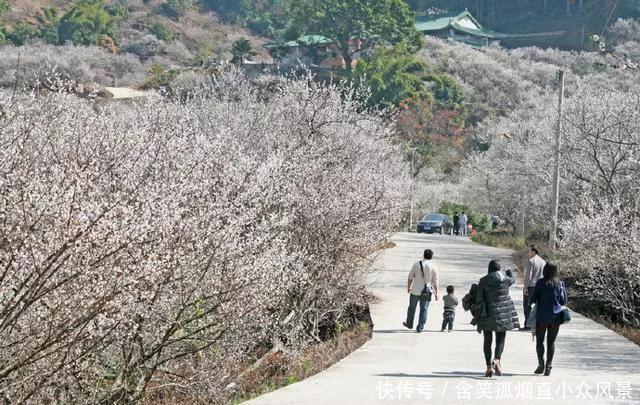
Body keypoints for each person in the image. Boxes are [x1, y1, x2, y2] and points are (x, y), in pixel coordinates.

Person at [475, 260, 520, 377]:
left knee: (487, 340)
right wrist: (509, 271)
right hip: (503, 315)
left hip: (488, 314)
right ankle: (497, 360)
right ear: (499, 269)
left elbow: (479, 299)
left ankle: (488, 367)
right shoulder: (505, 280)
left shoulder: (483, 281)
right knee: (500, 339)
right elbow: (513, 279)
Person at [529, 262, 567, 376]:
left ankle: (540, 365)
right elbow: (563, 301)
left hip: (542, 317)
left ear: (544, 270)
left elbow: (533, 298)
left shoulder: (540, 282)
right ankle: (548, 366)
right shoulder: (560, 284)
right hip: (556, 318)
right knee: (551, 342)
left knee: (540, 341)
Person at [403, 249, 439, 333]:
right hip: (427, 291)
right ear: (432, 256)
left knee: (411, 307)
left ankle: (409, 324)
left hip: (415, 289)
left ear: (423, 255)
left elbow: (410, 277)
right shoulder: (433, 266)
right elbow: (435, 281)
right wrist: (436, 293)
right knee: (424, 309)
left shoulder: (416, 264)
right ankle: (420, 327)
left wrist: (408, 287)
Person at [522, 245, 546, 330]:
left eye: (529, 251)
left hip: (531, 286)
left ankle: (528, 325)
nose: (528, 253)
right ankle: (537, 324)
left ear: (533, 251)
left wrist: (525, 288)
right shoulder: (543, 261)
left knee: (527, 305)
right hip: (541, 286)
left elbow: (529, 276)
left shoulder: (531, 261)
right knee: (538, 306)